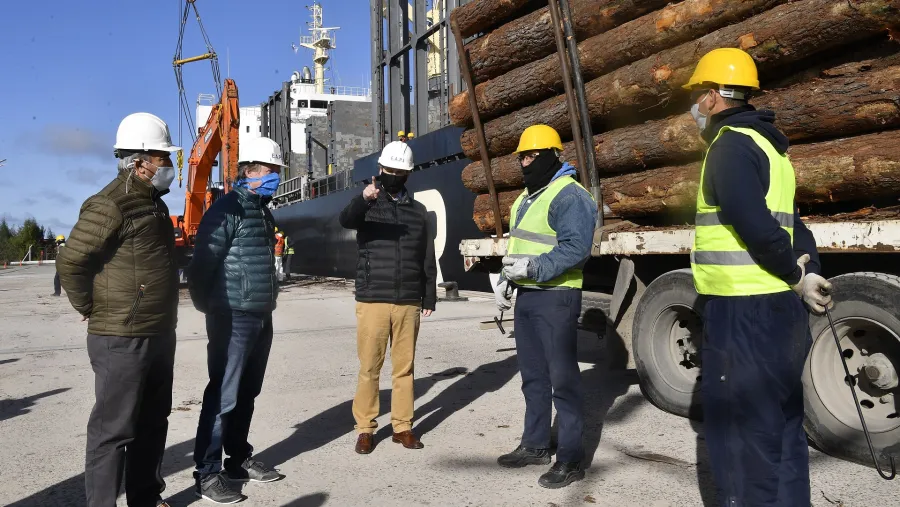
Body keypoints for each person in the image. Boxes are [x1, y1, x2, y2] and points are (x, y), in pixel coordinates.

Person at [684, 48, 833, 506]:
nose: (695, 106)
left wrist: (793, 273)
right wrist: (808, 273)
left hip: (743, 313)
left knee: (744, 438)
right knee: (782, 425)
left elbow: (754, 224)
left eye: (699, 95)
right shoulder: (772, 147)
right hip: (778, 310)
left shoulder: (729, 146)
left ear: (714, 96)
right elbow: (794, 225)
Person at [57, 112, 181, 507]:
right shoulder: (109, 203)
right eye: (163, 158)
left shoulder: (153, 203)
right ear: (139, 161)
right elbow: (71, 262)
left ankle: (145, 497)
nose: (169, 165)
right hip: (121, 337)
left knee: (153, 423)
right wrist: (88, 306)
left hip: (158, 331)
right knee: (112, 431)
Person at [496, 124, 598, 489]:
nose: (525, 163)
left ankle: (570, 459)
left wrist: (534, 268)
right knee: (534, 377)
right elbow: (521, 247)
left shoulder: (569, 195)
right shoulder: (526, 198)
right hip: (529, 296)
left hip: (556, 296)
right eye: (522, 157)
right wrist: (507, 278)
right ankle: (535, 444)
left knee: (563, 381)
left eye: (531, 156)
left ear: (553, 155)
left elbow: (576, 248)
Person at [188, 136, 286, 503]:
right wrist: (211, 308)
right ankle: (207, 472)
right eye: (270, 170)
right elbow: (202, 266)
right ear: (249, 171)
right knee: (223, 395)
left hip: (260, 313)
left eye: (276, 171)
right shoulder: (226, 210)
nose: (275, 177)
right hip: (232, 315)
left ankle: (238, 459)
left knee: (247, 392)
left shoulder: (261, 210)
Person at [339, 141, 437, 455]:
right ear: (380, 169)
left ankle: (402, 427)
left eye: (399, 171)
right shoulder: (367, 204)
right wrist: (364, 199)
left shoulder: (418, 212)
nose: (393, 175)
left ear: (408, 174)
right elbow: (346, 220)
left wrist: (429, 295)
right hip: (373, 298)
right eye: (389, 170)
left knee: (404, 368)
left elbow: (426, 255)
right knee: (370, 367)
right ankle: (365, 429)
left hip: (408, 299)